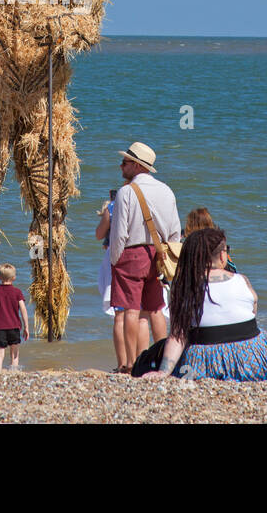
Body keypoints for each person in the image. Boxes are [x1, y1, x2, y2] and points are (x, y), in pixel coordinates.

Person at [141, 228, 267, 382]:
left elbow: (178, 336)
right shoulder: (242, 280)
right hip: (253, 355)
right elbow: (252, 312)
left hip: (207, 358)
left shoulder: (185, 287)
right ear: (222, 255)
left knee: (157, 353)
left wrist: (163, 372)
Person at [108, 142, 180, 367]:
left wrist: (115, 260)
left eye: (125, 163)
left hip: (131, 253)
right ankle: (162, 361)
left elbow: (119, 233)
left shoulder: (126, 192)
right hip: (159, 254)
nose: (121, 167)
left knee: (131, 309)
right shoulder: (167, 190)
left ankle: (131, 363)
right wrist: (166, 257)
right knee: (156, 309)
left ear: (137, 166)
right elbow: (175, 231)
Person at [96, 195, 147, 372]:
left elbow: (99, 234)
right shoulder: (146, 204)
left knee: (120, 314)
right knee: (141, 314)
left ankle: (123, 364)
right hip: (142, 256)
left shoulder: (112, 207)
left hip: (117, 257)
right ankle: (142, 362)